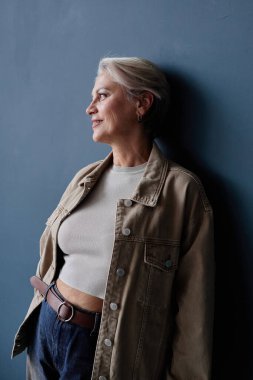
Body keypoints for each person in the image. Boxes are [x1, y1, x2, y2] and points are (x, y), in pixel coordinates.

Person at [12, 57, 214, 380]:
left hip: (98, 355)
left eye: (102, 96)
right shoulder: (85, 178)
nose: (89, 108)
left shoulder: (181, 192)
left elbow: (194, 318)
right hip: (45, 335)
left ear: (142, 104)